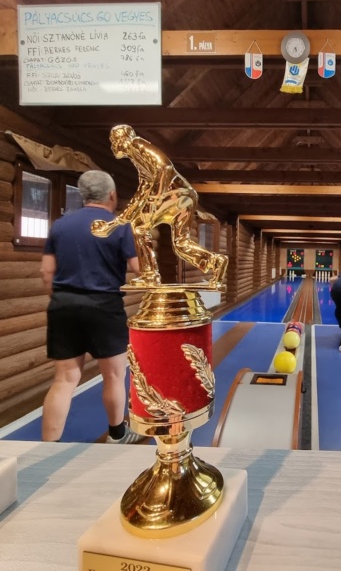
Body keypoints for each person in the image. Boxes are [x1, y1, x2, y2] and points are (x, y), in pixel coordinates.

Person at [40, 170, 144, 444]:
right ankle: (117, 434)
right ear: (112, 195)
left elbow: (46, 272)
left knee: (65, 379)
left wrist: (64, 299)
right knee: (114, 375)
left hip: (63, 305)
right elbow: (139, 268)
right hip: (104, 306)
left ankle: (46, 448)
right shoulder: (120, 225)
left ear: (83, 195)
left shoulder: (60, 225)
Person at [90, 124, 228, 289]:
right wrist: (113, 224)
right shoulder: (139, 163)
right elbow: (139, 197)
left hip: (176, 194)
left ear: (122, 138)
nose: (113, 145)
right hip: (184, 196)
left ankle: (150, 275)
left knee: (140, 228)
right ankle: (216, 261)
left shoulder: (137, 144)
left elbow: (165, 168)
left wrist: (154, 200)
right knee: (180, 244)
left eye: (114, 140)